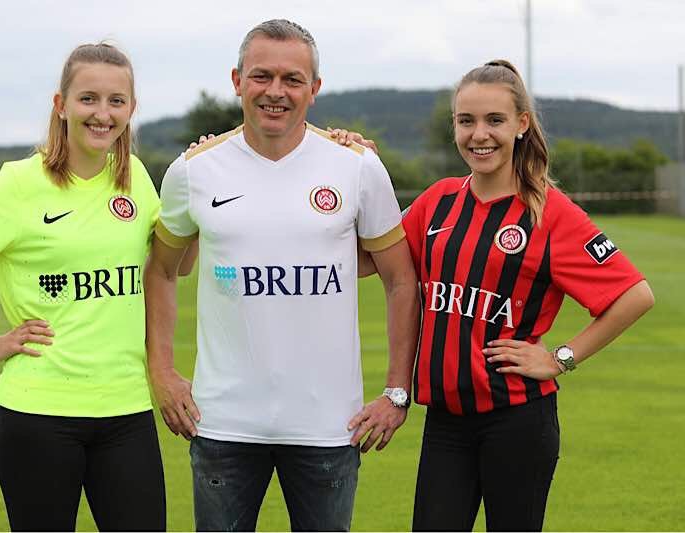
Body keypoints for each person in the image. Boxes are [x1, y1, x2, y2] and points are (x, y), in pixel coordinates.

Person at [336, 59, 655, 531]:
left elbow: (634, 294)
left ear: (522, 124)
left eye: (494, 121)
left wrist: (561, 357)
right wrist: (355, 172)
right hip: (445, 422)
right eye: (466, 121)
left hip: (517, 420)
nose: (478, 134)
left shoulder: (551, 214)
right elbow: (367, 261)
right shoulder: (438, 201)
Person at [145, 19, 419, 532]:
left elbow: (401, 280)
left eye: (293, 79)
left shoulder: (356, 166)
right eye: (261, 76)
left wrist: (396, 390)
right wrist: (161, 372)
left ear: (315, 89)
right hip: (223, 423)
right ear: (236, 80)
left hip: (329, 426)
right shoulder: (193, 170)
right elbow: (161, 270)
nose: (276, 91)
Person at [0, 43, 175, 531]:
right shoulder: (16, 184)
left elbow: (169, 264)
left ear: (132, 110)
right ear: (61, 105)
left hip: (126, 411)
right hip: (39, 415)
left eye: (117, 101)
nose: (102, 113)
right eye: (88, 99)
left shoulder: (135, 177)